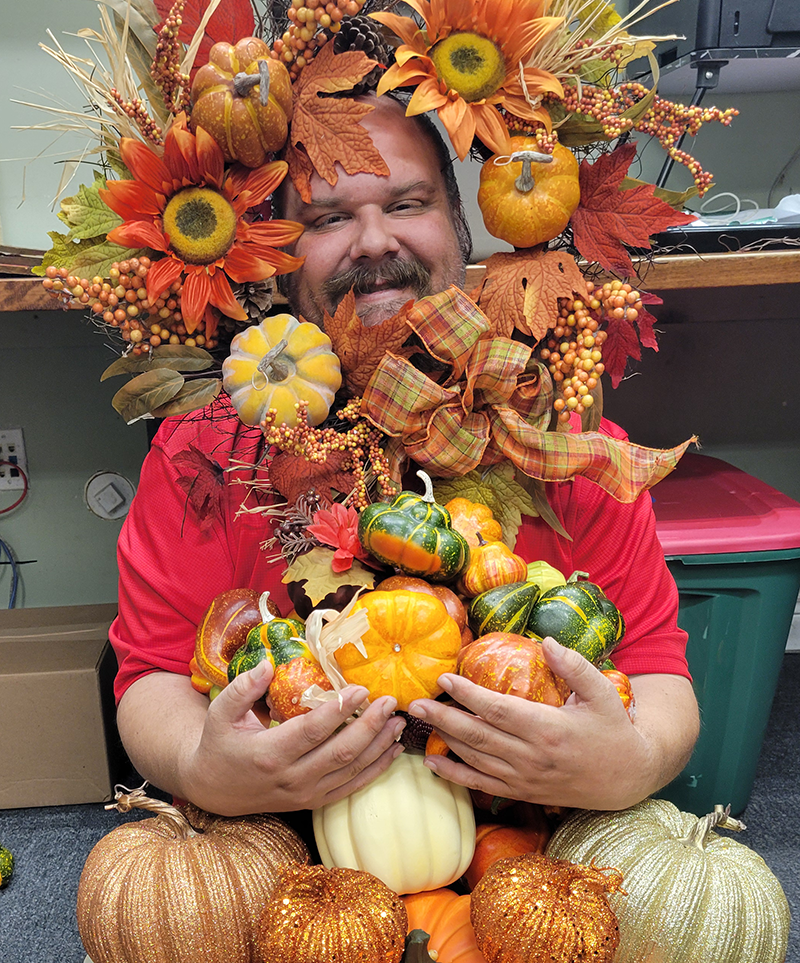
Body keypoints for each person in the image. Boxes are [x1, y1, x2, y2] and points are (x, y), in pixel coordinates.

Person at [111, 95, 699, 818]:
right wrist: (200, 770)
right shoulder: (205, 454)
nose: (373, 241)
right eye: (328, 217)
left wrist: (631, 763)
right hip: (272, 850)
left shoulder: (556, 441)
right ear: (275, 256)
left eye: (407, 202)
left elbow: (658, 672)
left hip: (528, 856)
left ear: (459, 225)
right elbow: (150, 676)